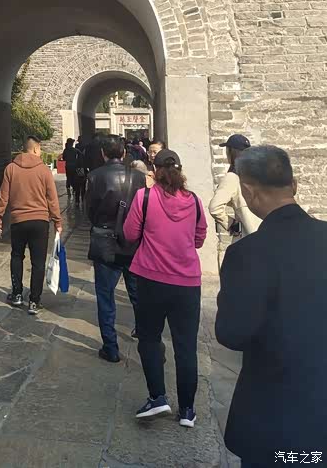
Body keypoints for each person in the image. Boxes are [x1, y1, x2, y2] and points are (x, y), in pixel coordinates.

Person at [215, 146, 327, 467]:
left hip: (275, 412)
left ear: (248, 192)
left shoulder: (247, 254)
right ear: (294, 185)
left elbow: (231, 333)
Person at [123, 149, 207, 427]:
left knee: (149, 338)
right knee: (186, 346)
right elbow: (199, 237)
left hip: (151, 278)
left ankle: (158, 397)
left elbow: (130, 234)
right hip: (187, 282)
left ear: (155, 170)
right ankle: (187, 410)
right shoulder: (194, 201)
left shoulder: (144, 197)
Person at [86, 134, 146, 363]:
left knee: (105, 297)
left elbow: (90, 211)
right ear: (124, 153)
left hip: (104, 241)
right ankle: (146, 336)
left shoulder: (95, 176)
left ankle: (110, 347)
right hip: (132, 241)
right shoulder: (138, 177)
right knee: (137, 294)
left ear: (103, 153)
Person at [0, 136, 63, 316]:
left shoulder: (11, 169)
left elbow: (3, 195)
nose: (40, 152)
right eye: (39, 149)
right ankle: (34, 300)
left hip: (18, 221)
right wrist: (57, 221)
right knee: (38, 261)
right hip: (40, 221)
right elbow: (52, 198)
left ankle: (17, 294)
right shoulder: (44, 170)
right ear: (34, 149)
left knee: (17, 256)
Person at [209, 133, 260, 239]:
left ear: (230, 152)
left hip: (247, 238)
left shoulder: (233, 178)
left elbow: (214, 207)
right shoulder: (258, 177)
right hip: (266, 236)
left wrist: (232, 224)